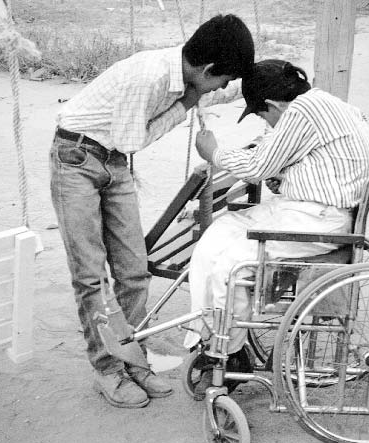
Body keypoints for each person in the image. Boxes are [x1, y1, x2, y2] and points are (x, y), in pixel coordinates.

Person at [50, 14, 255, 408]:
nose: (223, 87)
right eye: (224, 80)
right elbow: (132, 140)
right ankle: (108, 369)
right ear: (208, 69)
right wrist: (186, 105)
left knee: (132, 268)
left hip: (111, 162)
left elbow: (211, 94)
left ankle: (133, 359)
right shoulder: (149, 77)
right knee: (91, 275)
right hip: (76, 159)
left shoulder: (186, 75)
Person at [187, 59, 369, 398]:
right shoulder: (328, 105)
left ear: (273, 106)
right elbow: (289, 158)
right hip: (308, 210)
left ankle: (228, 353)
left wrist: (215, 153)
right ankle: (211, 338)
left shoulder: (303, 110)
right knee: (217, 234)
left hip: (315, 218)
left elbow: (259, 166)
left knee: (227, 265)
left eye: (262, 115)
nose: (266, 122)